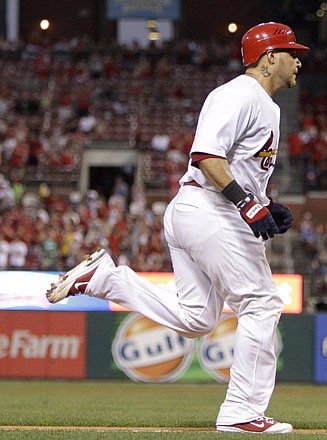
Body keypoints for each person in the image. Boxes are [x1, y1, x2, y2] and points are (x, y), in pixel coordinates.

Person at [45, 22, 309, 434]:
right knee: (262, 304)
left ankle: (106, 280)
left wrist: (265, 204)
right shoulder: (237, 93)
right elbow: (206, 155)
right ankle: (241, 410)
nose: (299, 60)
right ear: (269, 57)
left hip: (205, 211)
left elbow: (237, 167)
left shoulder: (266, 105)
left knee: (197, 319)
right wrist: (246, 202)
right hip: (210, 210)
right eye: (292, 52)